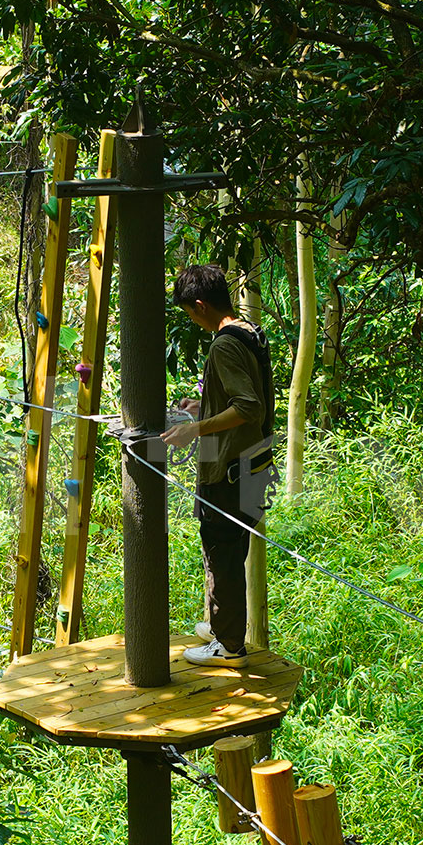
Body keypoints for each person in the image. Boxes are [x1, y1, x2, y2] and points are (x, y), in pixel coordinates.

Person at [160, 264, 277, 668]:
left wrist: (194, 429)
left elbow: (248, 407)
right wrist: (204, 406)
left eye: (190, 314)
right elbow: (247, 393)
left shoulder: (223, 346)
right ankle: (222, 625)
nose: (193, 321)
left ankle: (228, 647)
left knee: (221, 554)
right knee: (232, 551)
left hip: (228, 470)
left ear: (200, 305)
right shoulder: (250, 331)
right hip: (253, 464)